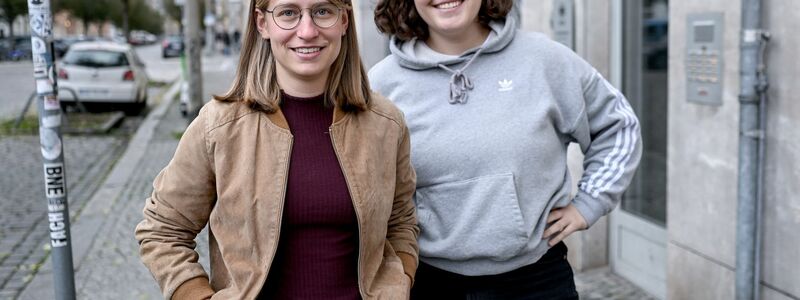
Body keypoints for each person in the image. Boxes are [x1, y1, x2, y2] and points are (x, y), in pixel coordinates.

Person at [135, 0, 419, 299]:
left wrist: (400, 280)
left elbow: (401, 221)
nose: (307, 31)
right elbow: (162, 229)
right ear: (262, 23)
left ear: (344, 21)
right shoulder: (219, 126)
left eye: (323, 11)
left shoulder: (385, 124)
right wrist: (193, 293)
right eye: (288, 13)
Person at [369, 0, 642, 299]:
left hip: (537, 281)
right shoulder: (381, 85)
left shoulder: (544, 60)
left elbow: (619, 126)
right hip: (430, 282)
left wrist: (589, 203)